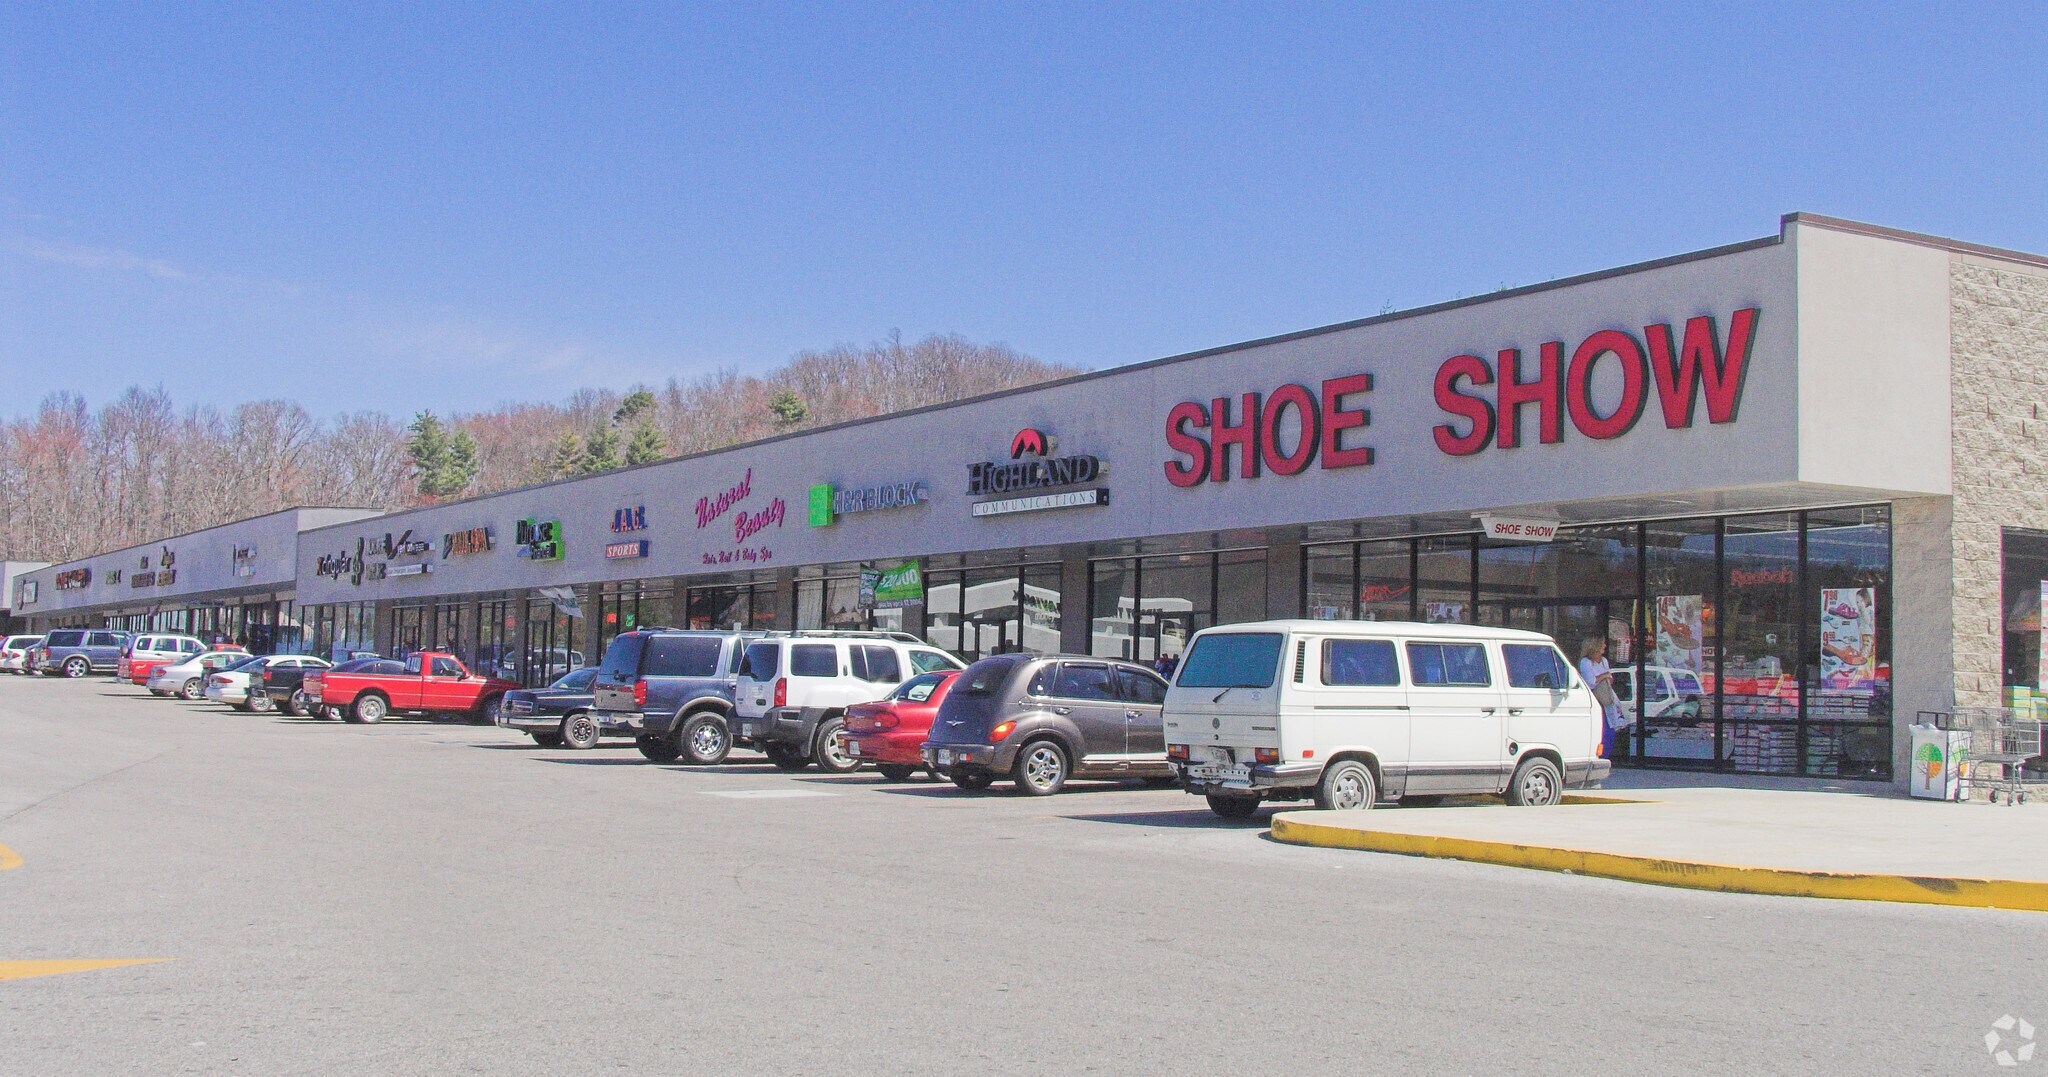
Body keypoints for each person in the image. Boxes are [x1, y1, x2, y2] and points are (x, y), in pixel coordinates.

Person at [1578, 637, 1626, 758]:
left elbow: (1610, 679)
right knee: (1602, 729)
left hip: (1607, 697)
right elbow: (1591, 682)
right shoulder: (1585, 662)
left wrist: (1605, 677)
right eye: (1603, 644)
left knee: (1611, 728)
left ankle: (1606, 755)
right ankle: (1599, 755)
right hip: (1597, 700)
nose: (1605, 646)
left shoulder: (1604, 661)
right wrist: (1604, 676)